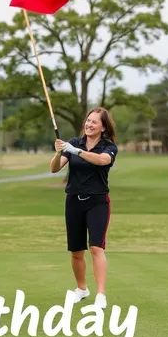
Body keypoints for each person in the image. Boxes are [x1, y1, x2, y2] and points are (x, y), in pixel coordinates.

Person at [50, 106, 118, 310]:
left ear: (103, 127)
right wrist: (59, 153)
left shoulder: (108, 146)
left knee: (96, 247)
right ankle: (82, 289)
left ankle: (101, 295)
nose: (89, 124)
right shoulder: (73, 142)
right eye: (88, 121)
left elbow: (101, 160)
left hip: (97, 202)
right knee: (76, 250)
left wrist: (78, 152)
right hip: (73, 201)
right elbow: (54, 169)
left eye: (94, 122)